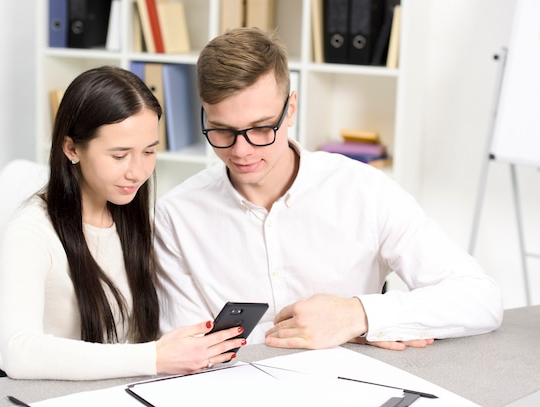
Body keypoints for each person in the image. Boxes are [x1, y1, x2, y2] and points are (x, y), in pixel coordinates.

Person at [154, 28, 503, 351]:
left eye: (261, 129)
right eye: (222, 130)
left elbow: (481, 299)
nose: (241, 150)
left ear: (290, 109)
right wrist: (343, 334)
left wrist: (358, 317)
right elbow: (187, 349)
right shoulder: (176, 215)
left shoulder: (363, 190)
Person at [0, 66, 244, 380]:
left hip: (105, 391)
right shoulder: (31, 231)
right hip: (28, 394)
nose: (137, 172)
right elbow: (19, 352)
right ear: (71, 148)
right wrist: (155, 357)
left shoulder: (133, 217)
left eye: (149, 152)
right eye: (120, 155)